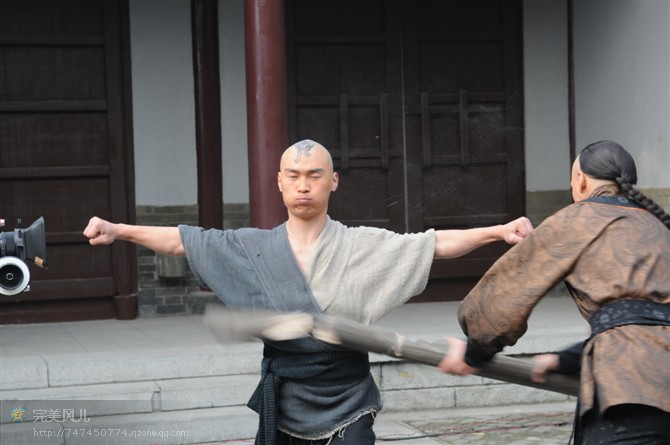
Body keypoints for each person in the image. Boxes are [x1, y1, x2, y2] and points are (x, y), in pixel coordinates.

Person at [84, 139, 533, 445]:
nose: (303, 185)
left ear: (333, 181)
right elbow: (185, 241)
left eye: (314, 175)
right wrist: (118, 230)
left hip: (349, 393)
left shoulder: (360, 243)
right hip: (288, 396)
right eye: (294, 175)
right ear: (279, 181)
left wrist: (497, 231)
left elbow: (432, 245)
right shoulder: (250, 247)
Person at [438, 140, 670, 444]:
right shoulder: (659, 226)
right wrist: (567, 359)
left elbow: (508, 294)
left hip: (630, 388)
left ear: (581, 181)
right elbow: (646, 318)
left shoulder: (577, 219)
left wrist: (473, 351)